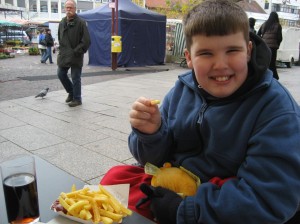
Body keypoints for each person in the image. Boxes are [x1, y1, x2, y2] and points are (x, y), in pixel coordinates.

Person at [100, 0, 300, 223]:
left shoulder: (276, 110)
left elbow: (270, 198)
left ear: (248, 50)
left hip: (221, 201)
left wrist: (184, 211)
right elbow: (152, 160)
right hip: (173, 183)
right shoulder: (181, 89)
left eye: (232, 50)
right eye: (205, 53)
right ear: (189, 58)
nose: (220, 65)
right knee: (115, 178)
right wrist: (151, 134)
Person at [57, 0, 91, 107]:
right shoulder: (62, 22)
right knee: (61, 74)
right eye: (67, 7)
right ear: (64, 9)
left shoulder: (81, 22)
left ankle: (77, 99)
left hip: (76, 55)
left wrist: (76, 51)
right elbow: (60, 37)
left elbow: (86, 41)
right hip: (64, 54)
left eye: (71, 7)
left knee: (75, 77)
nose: (68, 9)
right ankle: (71, 92)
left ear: (75, 9)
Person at [257, 12, 282, 80]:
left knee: (265, 62)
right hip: (273, 48)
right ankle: (275, 77)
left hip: (264, 47)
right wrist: (277, 45)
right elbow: (279, 38)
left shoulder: (264, 24)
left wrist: (262, 43)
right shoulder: (278, 26)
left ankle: (265, 77)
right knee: (272, 63)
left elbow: (258, 34)